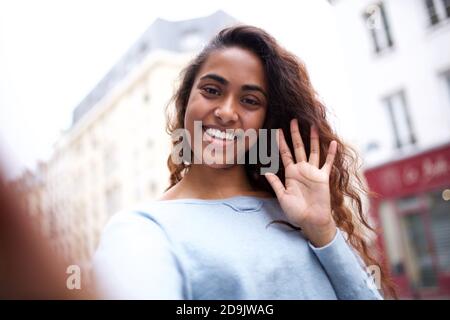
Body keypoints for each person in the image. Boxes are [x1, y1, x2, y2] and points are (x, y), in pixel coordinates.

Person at [92, 25, 395, 299]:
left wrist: (322, 229)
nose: (226, 112)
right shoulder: (143, 229)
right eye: (212, 91)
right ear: (186, 101)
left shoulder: (302, 215)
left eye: (250, 101)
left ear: (266, 122)